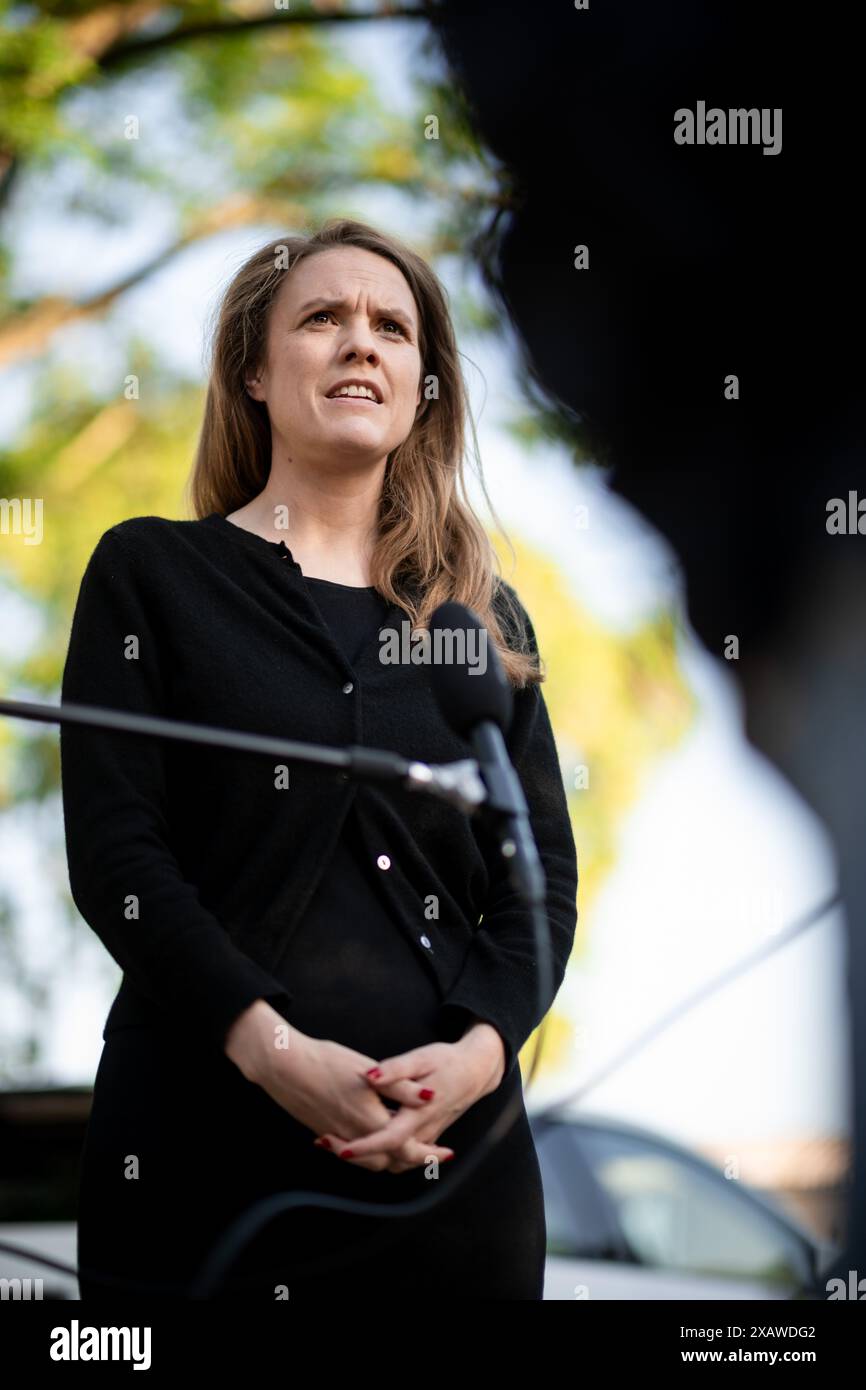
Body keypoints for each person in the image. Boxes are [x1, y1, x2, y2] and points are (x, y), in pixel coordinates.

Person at [60, 218, 578, 1301]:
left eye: (391, 327)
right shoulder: (150, 573)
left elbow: (540, 890)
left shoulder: (478, 621)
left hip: (454, 1185)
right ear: (253, 369)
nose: (362, 343)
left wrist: (474, 1062)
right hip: (197, 1169)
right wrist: (276, 1056)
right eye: (323, 318)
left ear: (421, 386)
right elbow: (119, 857)